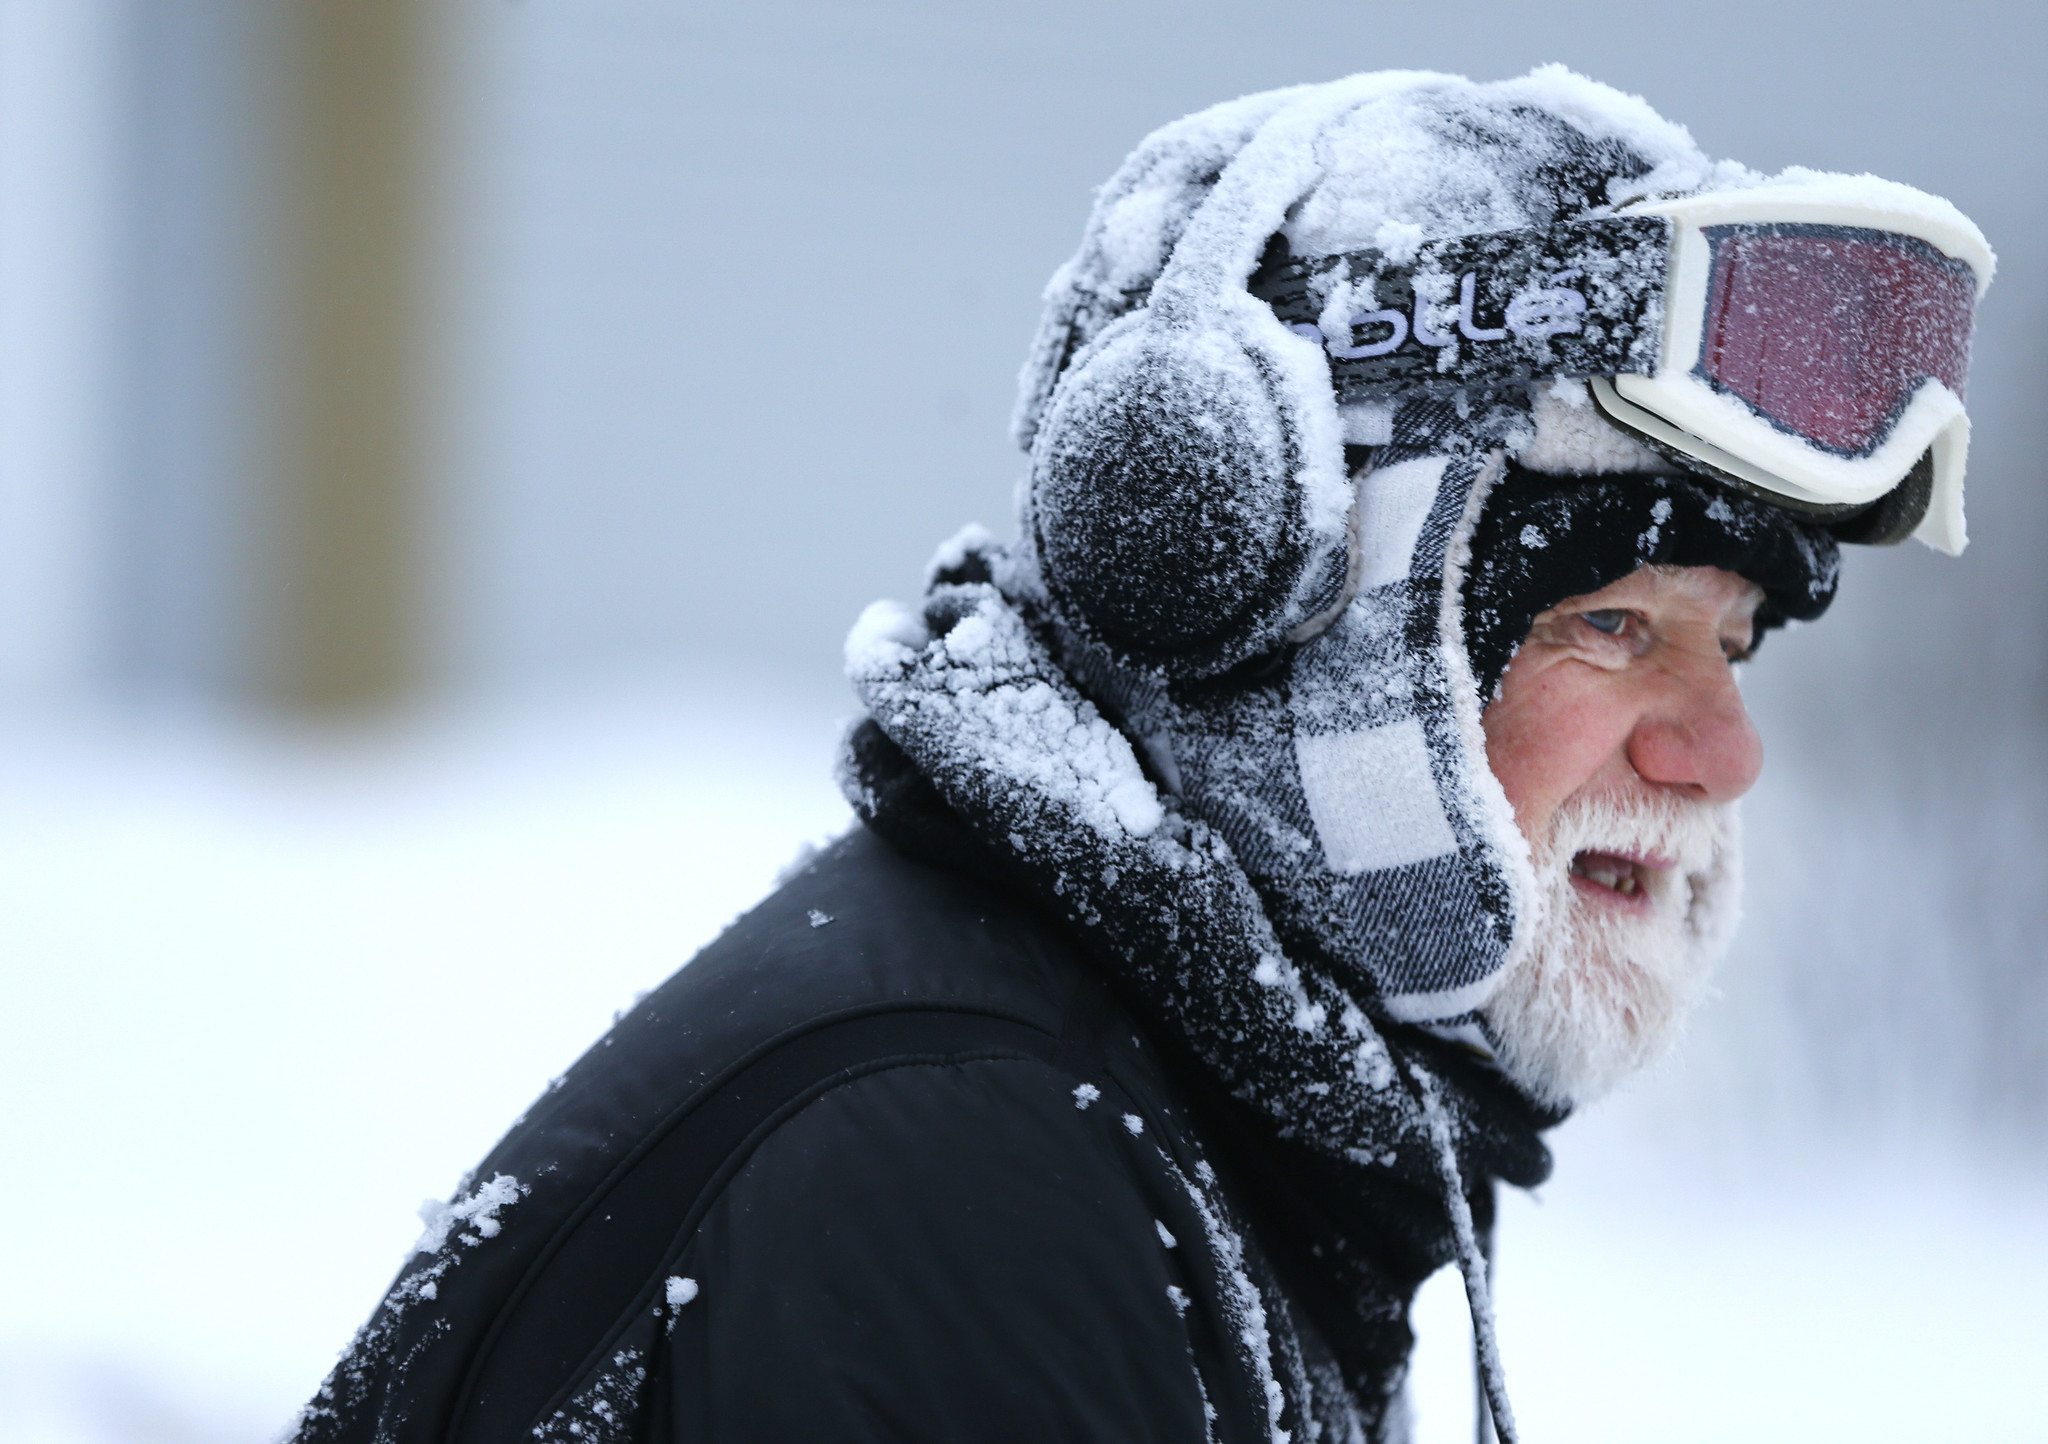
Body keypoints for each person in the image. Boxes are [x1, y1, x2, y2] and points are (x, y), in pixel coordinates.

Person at [292, 67, 1991, 1444]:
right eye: (1612, 627)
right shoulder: (959, 1189)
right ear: (1242, 586)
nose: (1726, 753)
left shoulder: (1202, 1131)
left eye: (1737, 641)